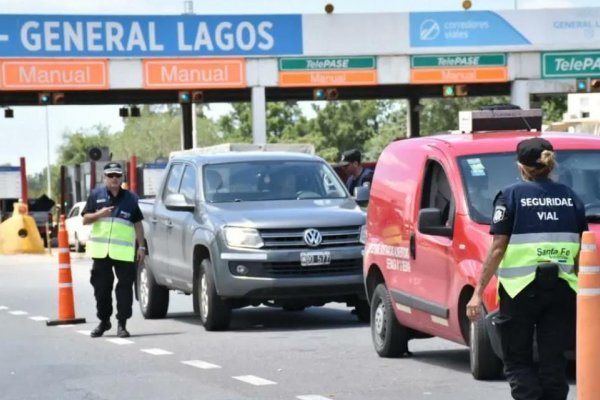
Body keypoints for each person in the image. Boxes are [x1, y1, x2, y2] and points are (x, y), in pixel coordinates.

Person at [466, 137, 587, 400]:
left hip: (519, 290)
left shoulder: (510, 196)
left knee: (517, 359)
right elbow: (581, 250)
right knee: (554, 361)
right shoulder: (571, 198)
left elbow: (498, 248)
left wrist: (477, 292)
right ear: (550, 163)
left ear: (520, 166)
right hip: (562, 290)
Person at [82, 162, 146, 338]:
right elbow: (85, 219)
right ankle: (104, 321)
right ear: (104, 178)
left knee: (124, 290)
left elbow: (138, 224)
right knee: (101, 289)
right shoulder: (96, 196)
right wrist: (99, 214)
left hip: (124, 253)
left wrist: (141, 246)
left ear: (122, 178)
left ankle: (122, 324)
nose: (114, 179)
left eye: (118, 175)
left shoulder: (131, 199)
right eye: (110, 175)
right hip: (101, 253)